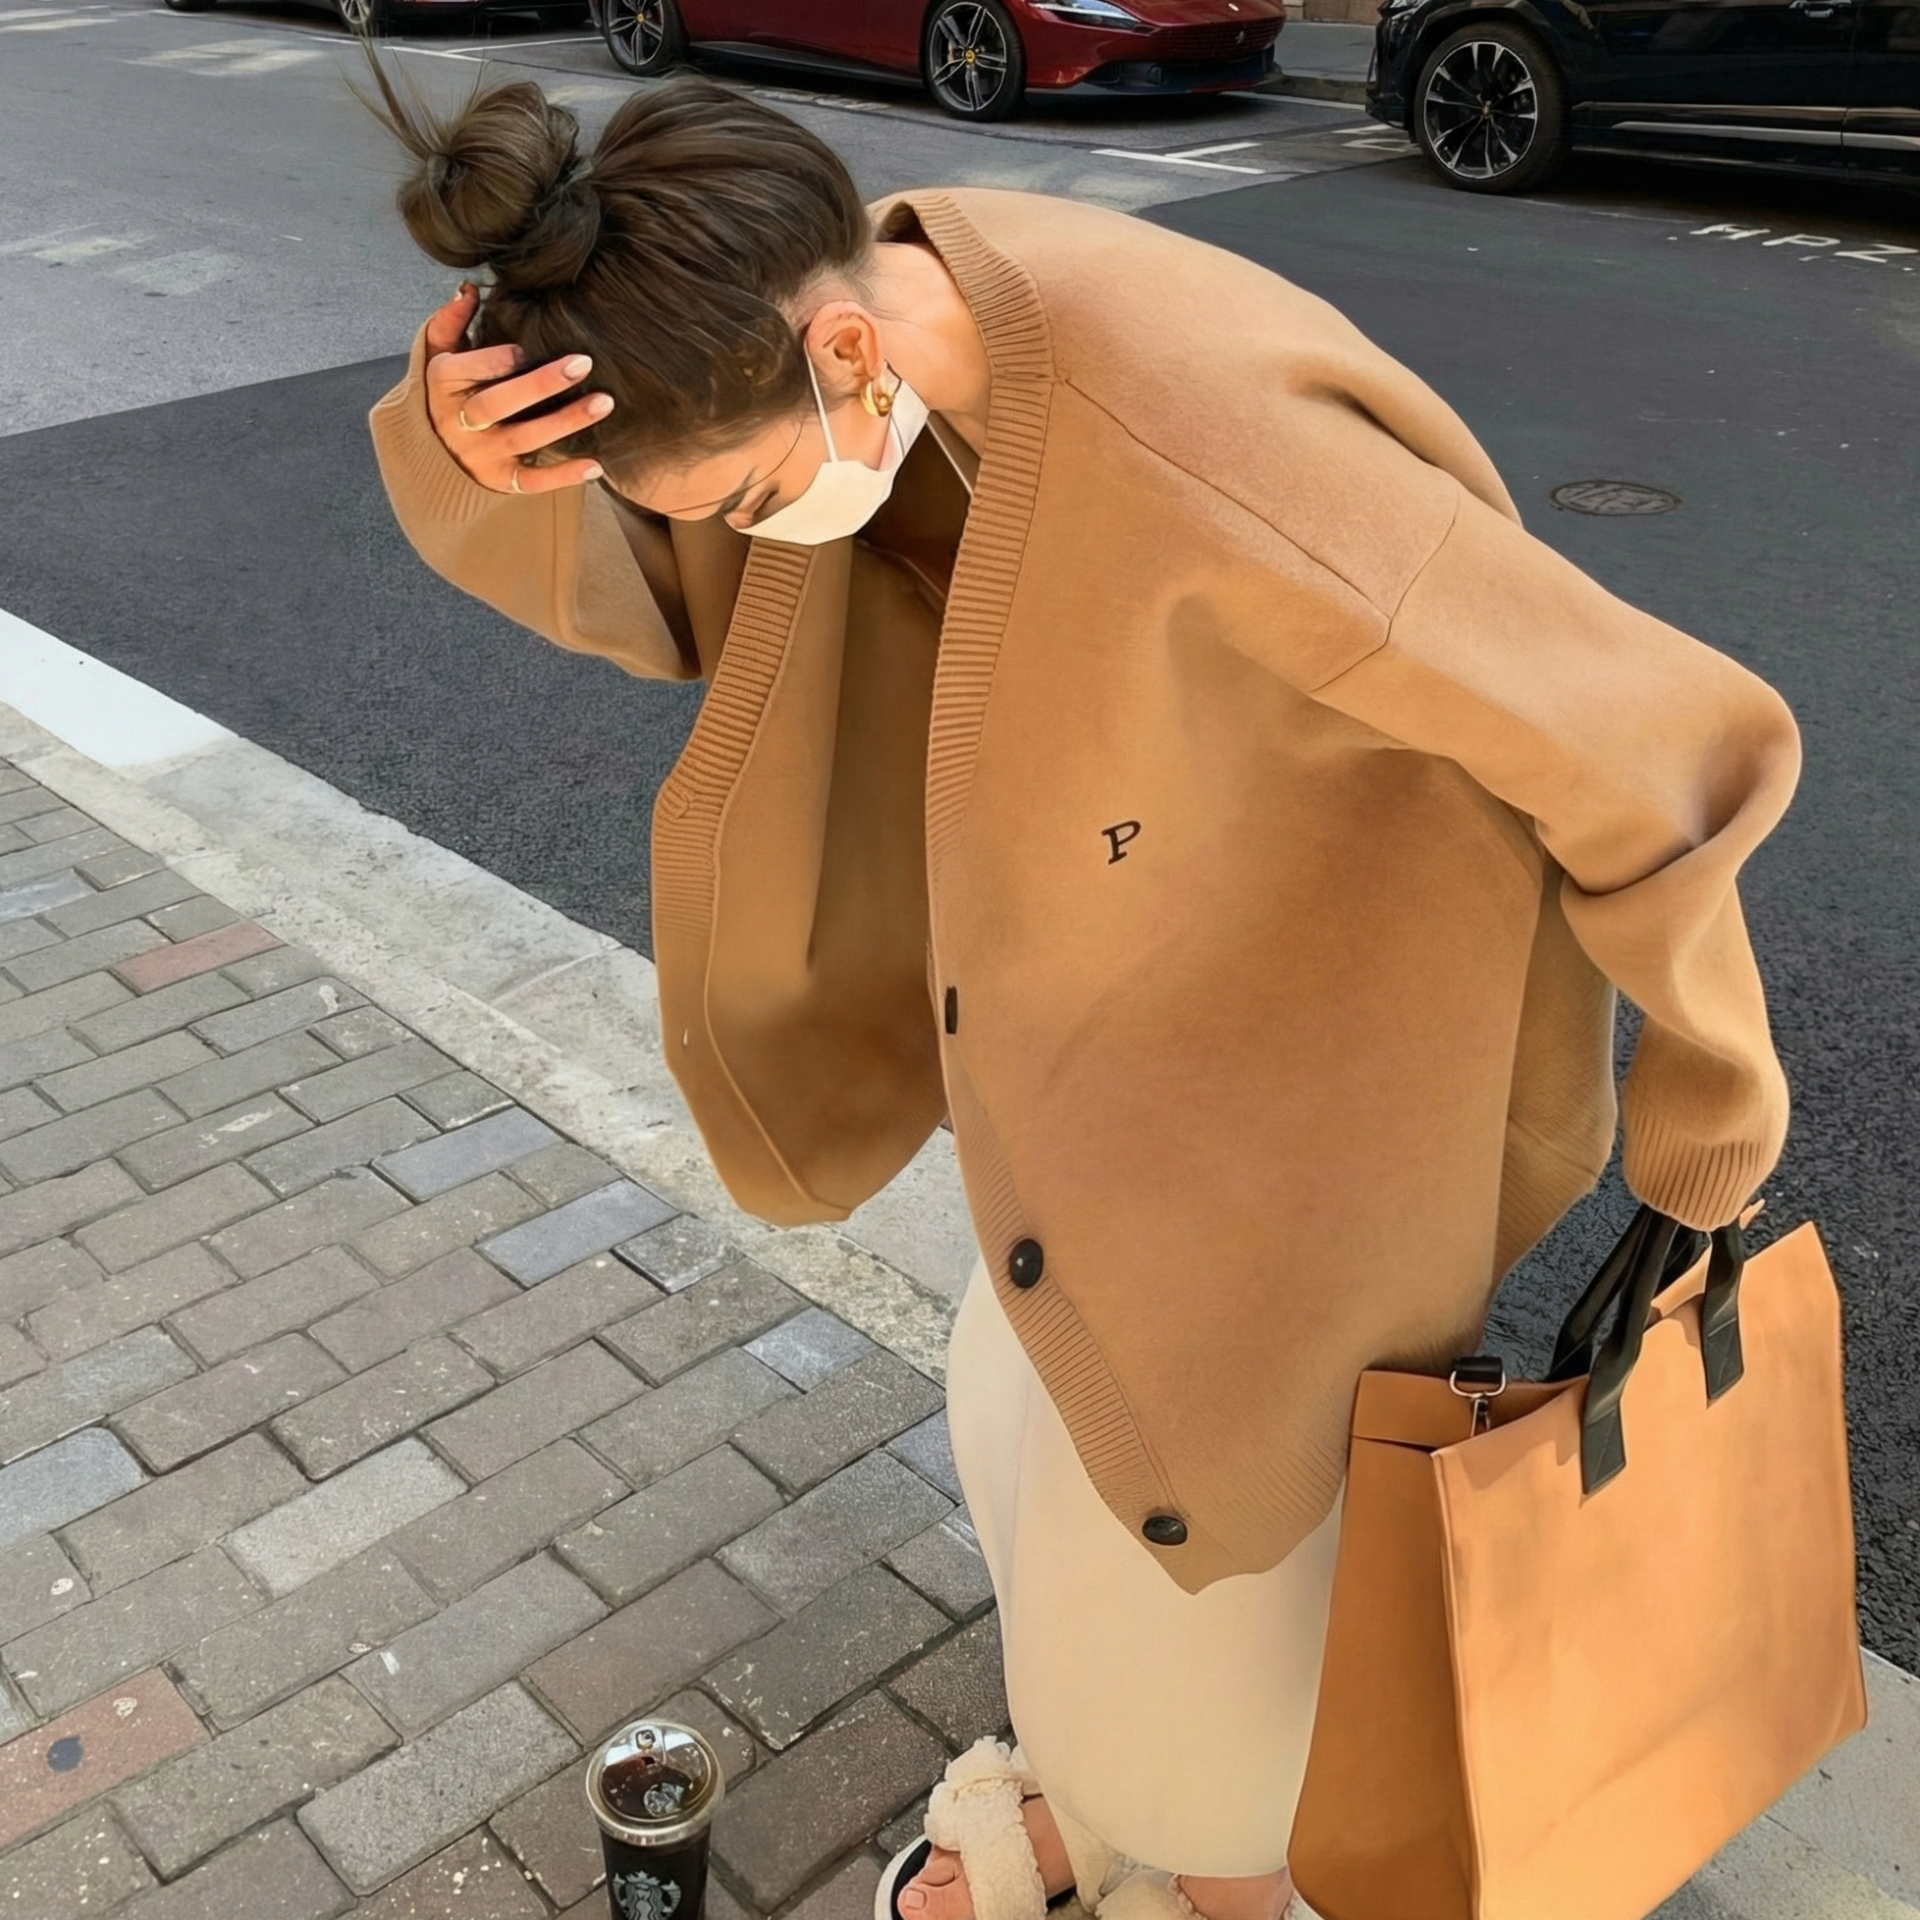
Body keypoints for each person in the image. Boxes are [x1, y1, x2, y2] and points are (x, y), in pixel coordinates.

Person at [363, 67, 1798, 1920]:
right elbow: (672, 577)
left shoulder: (1213, 453)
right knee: (1028, 1407)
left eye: (748, 499)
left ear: (847, 356)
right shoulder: (879, 303)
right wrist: (470, 451)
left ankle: (1210, 1863)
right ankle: (1114, 1797)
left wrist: (1709, 1113)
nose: (750, 543)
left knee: (1212, 1534)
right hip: (1107, 1032)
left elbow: (1661, 744)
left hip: (1315, 1069)